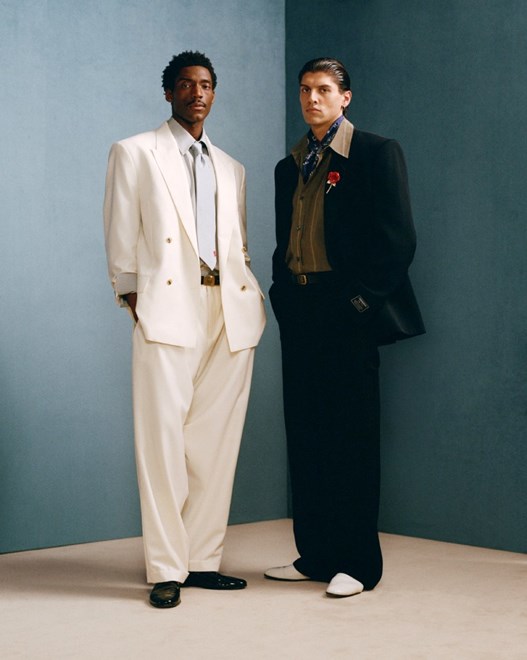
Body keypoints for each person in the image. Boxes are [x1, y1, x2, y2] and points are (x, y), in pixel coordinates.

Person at [103, 51, 266, 609]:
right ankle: (167, 567)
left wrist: (248, 296)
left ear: (214, 93)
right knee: (163, 442)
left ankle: (201, 561)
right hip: (168, 307)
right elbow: (120, 237)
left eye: (206, 85)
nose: (197, 93)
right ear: (169, 92)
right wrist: (136, 300)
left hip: (229, 311)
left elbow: (238, 245)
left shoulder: (231, 167)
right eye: (186, 84)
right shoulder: (135, 152)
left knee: (214, 443)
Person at [265, 57, 424, 598]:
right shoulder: (288, 166)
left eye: (324, 89)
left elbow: (398, 240)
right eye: (305, 89)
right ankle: (316, 555)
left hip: (347, 310)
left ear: (345, 97)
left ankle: (358, 563)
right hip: (300, 309)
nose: (312, 98)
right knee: (306, 433)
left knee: (350, 438)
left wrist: (359, 304)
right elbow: (284, 241)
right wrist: (282, 297)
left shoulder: (376, 153)